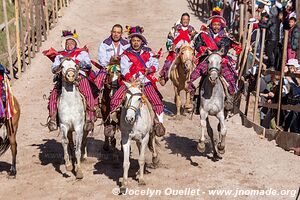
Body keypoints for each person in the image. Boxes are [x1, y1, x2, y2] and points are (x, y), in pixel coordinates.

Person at [108, 26, 165, 137]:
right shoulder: (126, 54)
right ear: (130, 41)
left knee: (156, 100)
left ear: (142, 41)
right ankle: (113, 123)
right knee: (115, 98)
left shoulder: (148, 52)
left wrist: (151, 69)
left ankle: (159, 124)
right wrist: (130, 78)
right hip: (130, 82)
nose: (135, 43)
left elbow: (155, 64)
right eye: (133, 40)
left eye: (138, 40)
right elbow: (124, 68)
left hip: (145, 81)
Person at [47, 30, 96, 132]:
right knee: (53, 95)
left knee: (88, 94)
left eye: (72, 43)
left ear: (75, 44)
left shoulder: (82, 53)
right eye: (67, 43)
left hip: (79, 77)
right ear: (64, 44)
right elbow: (53, 68)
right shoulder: (60, 56)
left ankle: (89, 119)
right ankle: (52, 118)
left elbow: (88, 65)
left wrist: (77, 63)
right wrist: (59, 67)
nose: (69, 45)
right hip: (63, 78)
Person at [188, 15, 241, 103]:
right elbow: (198, 45)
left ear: (221, 26)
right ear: (211, 25)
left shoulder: (225, 37)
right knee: (194, 76)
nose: (216, 27)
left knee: (230, 78)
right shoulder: (203, 35)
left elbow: (224, 49)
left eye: (218, 25)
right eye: (214, 25)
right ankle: (194, 97)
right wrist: (203, 49)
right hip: (207, 59)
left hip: (220, 60)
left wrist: (215, 52)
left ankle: (229, 98)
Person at [159, 13, 197, 85]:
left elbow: (195, 40)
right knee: (168, 63)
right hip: (176, 51)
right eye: (183, 19)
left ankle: (193, 83)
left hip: (187, 51)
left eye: (187, 19)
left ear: (189, 20)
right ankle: (164, 76)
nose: (185, 21)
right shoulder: (175, 28)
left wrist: (191, 47)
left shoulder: (192, 30)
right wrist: (171, 46)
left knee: (196, 64)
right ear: (181, 20)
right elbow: (169, 38)